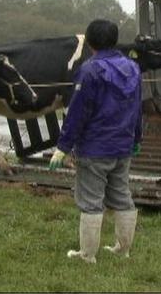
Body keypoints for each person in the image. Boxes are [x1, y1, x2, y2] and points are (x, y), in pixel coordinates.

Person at [48, 19, 142, 264]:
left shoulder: (90, 70)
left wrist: (63, 148)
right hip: (123, 147)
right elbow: (137, 107)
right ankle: (123, 250)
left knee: (91, 201)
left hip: (95, 148)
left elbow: (78, 112)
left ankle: (87, 255)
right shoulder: (133, 68)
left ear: (89, 42)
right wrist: (136, 138)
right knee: (122, 195)